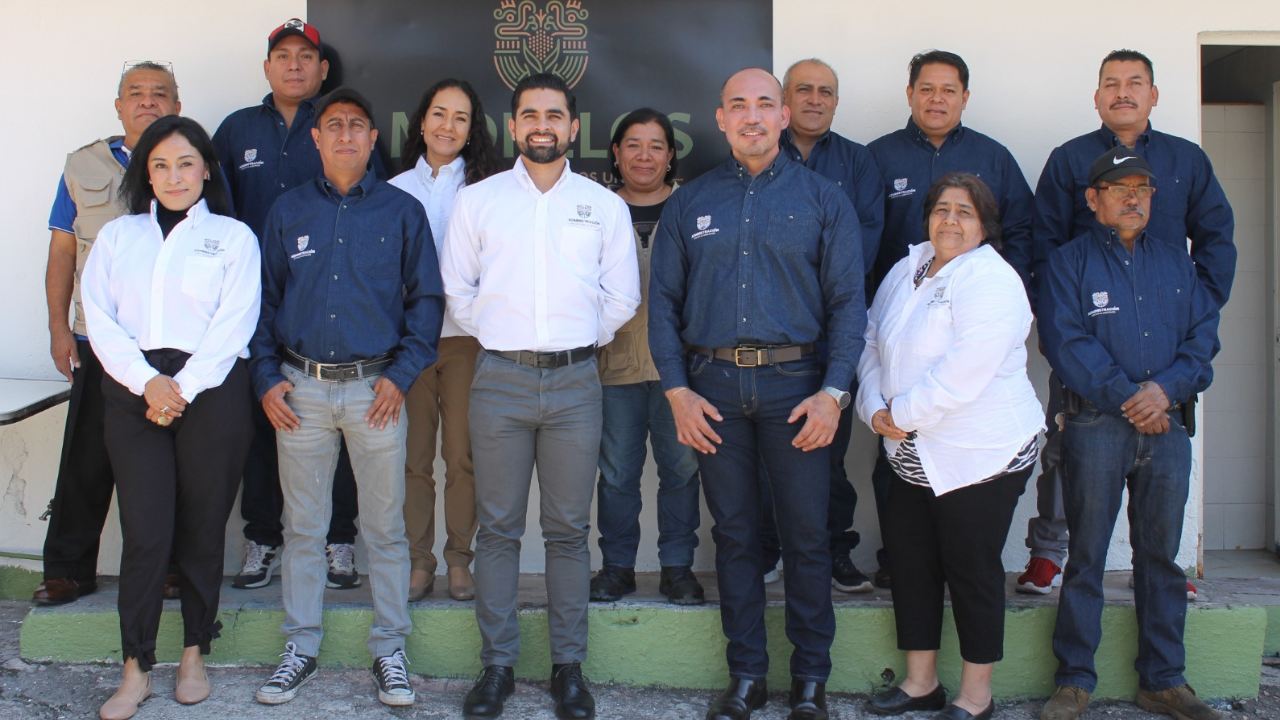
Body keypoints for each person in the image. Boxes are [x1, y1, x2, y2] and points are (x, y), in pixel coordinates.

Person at [649, 67, 865, 720]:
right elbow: (661, 302)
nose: (750, 115)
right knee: (737, 537)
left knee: (805, 537)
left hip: (795, 391)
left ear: (782, 116)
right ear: (720, 118)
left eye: (763, 104)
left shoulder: (824, 199)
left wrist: (833, 393)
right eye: (737, 105)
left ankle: (810, 682)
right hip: (712, 393)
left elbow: (849, 304)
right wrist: (678, 393)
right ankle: (745, 675)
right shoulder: (690, 203)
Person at [441, 73, 639, 720]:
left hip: (578, 382)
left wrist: (576, 338)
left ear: (573, 127)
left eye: (555, 114)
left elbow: (622, 298)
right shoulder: (480, 201)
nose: (543, 125)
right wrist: (511, 338)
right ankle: (496, 667)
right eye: (530, 115)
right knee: (496, 529)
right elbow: (459, 293)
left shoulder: (602, 205)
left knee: (565, 532)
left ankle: (567, 669)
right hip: (498, 378)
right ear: (513, 125)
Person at [250, 88, 442, 708]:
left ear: (370, 138)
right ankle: (300, 648)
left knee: (385, 530)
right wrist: (265, 378)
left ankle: (391, 649)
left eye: (358, 126)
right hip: (299, 391)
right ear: (317, 137)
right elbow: (263, 304)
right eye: (334, 126)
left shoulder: (401, 211)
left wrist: (402, 374)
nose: (346, 136)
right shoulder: (287, 212)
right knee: (302, 529)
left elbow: (426, 302)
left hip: (376, 392)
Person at [1019, 48, 1235, 600]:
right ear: (1096, 97)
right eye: (1111, 83)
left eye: (1135, 82)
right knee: (1067, 444)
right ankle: (1049, 555)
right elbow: (1042, 246)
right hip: (1090, 338)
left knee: (1161, 454)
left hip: (1166, 344)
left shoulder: (1187, 161)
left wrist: (1196, 309)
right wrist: (1057, 321)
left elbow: (1216, 238)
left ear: (1153, 95)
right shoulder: (1069, 160)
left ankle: (1162, 569)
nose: (1123, 92)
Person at [81, 116, 260, 720]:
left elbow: (235, 323)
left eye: (186, 163)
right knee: (146, 531)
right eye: (160, 165)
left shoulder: (234, 237)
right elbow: (99, 319)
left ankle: (193, 654)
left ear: (206, 168)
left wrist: (178, 387)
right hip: (134, 391)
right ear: (145, 174)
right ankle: (135, 668)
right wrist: (148, 383)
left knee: (203, 530)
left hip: (210, 389)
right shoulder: (117, 237)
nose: (174, 176)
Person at [1038, 148, 1222, 720]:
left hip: (1167, 429)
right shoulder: (1068, 264)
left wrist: (1163, 391)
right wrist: (1129, 395)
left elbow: (1202, 342)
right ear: (1093, 201)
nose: (1133, 197)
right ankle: (1073, 682)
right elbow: (1065, 343)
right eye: (1119, 189)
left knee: (1161, 560)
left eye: (1142, 188)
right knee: (1087, 556)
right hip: (1096, 427)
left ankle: (1162, 680)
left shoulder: (1179, 264)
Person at [857, 173, 1042, 720]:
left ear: (984, 225)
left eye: (966, 211)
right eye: (942, 209)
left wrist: (901, 414)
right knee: (912, 563)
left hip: (981, 451)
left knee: (970, 566)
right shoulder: (907, 267)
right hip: (910, 450)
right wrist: (873, 408)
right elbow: (871, 340)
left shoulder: (992, 279)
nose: (951, 220)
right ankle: (921, 684)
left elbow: (968, 369)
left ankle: (975, 696)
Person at [213, 18, 383, 591]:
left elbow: (371, 208)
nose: (293, 65)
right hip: (250, 303)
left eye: (304, 56)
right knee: (267, 420)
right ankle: (262, 538)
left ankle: (339, 541)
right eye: (282, 56)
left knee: (339, 424)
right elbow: (210, 213)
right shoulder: (237, 131)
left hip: (324, 304)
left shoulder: (341, 127)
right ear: (267, 67)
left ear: (322, 68)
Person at [864, 49, 1034, 589]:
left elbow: (1024, 235)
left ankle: (956, 567)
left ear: (965, 96)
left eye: (949, 89)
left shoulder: (995, 157)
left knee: (966, 479)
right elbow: (859, 238)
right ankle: (901, 561)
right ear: (910, 94)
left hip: (967, 346)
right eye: (927, 88)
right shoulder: (878, 158)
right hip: (893, 341)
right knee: (892, 461)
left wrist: (997, 309)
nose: (937, 99)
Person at [35, 61, 181, 606]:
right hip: (97, 340)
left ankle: (168, 568)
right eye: (135, 94)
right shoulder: (82, 164)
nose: (147, 102)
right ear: (118, 105)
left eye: (159, 94)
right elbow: (63, 251)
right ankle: (69, 569)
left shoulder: (190, 161)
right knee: (87, 460)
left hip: (166, 344)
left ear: (177, 105)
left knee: (167, 462)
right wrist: (57, 328)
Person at [754, 57, 884, 593]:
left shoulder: (858, 163)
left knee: (826, 453)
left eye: (824, 91)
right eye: (802, 90)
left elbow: (863, 246)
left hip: (832, 338)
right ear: (784, 103)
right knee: (762, 456)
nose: (814, 99)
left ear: (835, 101)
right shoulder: (757, 155)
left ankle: (835, 550)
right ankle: (765, 552)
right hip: (766, 335)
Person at [588, 108, 705, 606]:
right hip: (612, 368)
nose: (644, 155)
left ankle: (678, 568)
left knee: (681, 470)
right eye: (632, 144)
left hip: (681, 371)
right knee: (616, 473)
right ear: (615, 153)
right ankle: (617, 567)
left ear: (671, 154)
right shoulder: (594, 210)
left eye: (656, 145)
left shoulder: (694, 211)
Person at [389, 78, 500, 602]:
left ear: (472, 128)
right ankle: (418, 562)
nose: (448, 126)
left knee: (462, 458)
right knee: (412, 460)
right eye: (439, 113)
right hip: (408, 346)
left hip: (465, 343)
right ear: (422, 122)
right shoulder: (392, 191)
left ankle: (459, 560)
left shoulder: (487, 191)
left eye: (460, 117)